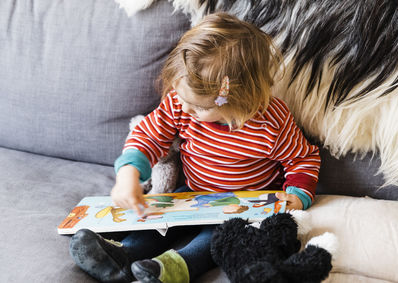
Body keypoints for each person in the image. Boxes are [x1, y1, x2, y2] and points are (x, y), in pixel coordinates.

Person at [69, 12, 320, 283]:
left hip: (243, 206)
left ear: (238, 97)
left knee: (215, 240)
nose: (185, 108)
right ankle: (122, 256)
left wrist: (297, 195)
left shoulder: (272, 122)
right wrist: (129, 173)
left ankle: (170, 269)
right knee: (156, 221)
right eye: (181, 97)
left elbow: (303, 159)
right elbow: (149, 136)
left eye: (199, 106)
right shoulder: (181, 105)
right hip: (191, 194)